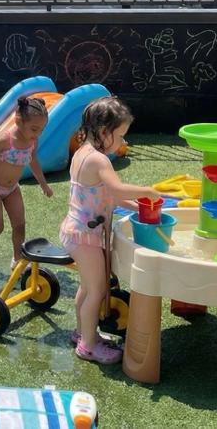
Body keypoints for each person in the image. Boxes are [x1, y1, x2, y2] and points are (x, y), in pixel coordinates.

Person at [59, 97, 160, 365]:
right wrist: (147, 192)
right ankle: (88, 346)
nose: (123, 143)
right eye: (121, 136)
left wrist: (139, 207)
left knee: (88, 286)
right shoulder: (99, 160)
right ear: (104, 132)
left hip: (77, 230)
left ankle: (82, 332)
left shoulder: (82, 152)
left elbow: (104, 195)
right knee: (97, 290)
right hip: (85, 236)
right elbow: (116, 190)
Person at [0, 97, 55, 269]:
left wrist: (43, 184)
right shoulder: (4, 140)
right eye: (34, 129)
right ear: (18, 120)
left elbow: (33, 160)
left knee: (19, 225)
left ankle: (17, 260)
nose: (37, 134)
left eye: (41, 130)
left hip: (12, 188)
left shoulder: (32, 141)